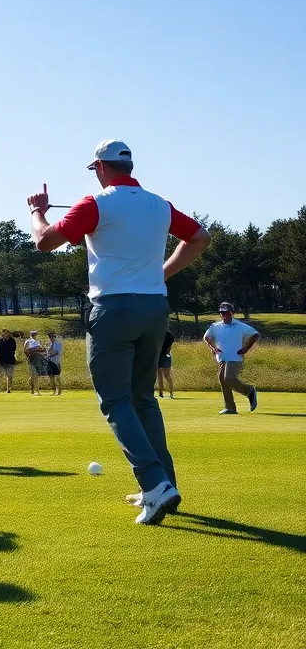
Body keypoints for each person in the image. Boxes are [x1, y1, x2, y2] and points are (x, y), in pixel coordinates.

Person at [29, 138, 210, 525]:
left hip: (114, 308)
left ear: (100, 168)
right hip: (155, 308)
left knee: (114, 400)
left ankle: (155, 483)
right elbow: (199, 238)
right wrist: (164, 273)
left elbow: (45, 242)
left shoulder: (96, 204)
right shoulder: (159, 204)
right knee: (143, 397)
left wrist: (37, 212)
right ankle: (162, 483)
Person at [204, 302, 259, 415]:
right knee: (222, 379)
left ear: (231, 313)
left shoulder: (240, 326)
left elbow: (255, 335)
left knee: (228, 378)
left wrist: (246, 348)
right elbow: (207, 337)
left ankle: (249, 391)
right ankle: (230, 408)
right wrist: (212, 347)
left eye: (226, 312)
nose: (224, 315)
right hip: (222, 357)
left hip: (235, 357)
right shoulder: (215, 326)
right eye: (222, 312)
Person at [0, 329, 17, 394]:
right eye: (4, 333)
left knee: (9, 376)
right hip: (1, 361)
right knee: (0, 375)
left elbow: (14, 349)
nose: (6, 334)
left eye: (7, 333)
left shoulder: (12, 340)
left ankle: (8, 389)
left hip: (10, 361)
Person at [24, 331, 45, 395]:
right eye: (35, 335)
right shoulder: (28, 341)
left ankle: (32, 388)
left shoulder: (37, 342)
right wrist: (28, 356)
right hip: (31, 360)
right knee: (35, 376)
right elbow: (25, 350)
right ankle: (37, 391)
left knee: (35, 376)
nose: (36, 336)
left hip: (37, 360)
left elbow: (40, 350)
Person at [157, 331, 175, 398]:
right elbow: (171, 341)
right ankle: (170, 393)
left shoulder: (158, 333)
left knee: (160, 374)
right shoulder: (168, 334)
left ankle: (161, 393)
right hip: (166, 354)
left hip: (159, 355)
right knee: (166, 375)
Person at [46, 331, 64, 395]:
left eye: (52, 337)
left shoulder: (58, 344)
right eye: (50, 337)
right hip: (50, 362)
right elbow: (49, 352)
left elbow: (55, 352)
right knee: (51, 376)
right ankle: (53, 390)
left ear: (54, 337)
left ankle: (59, 390)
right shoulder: (50, 345)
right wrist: (49, 353)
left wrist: (49, 353)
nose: (51, 338)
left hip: (56, 362)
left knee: (57, 377)